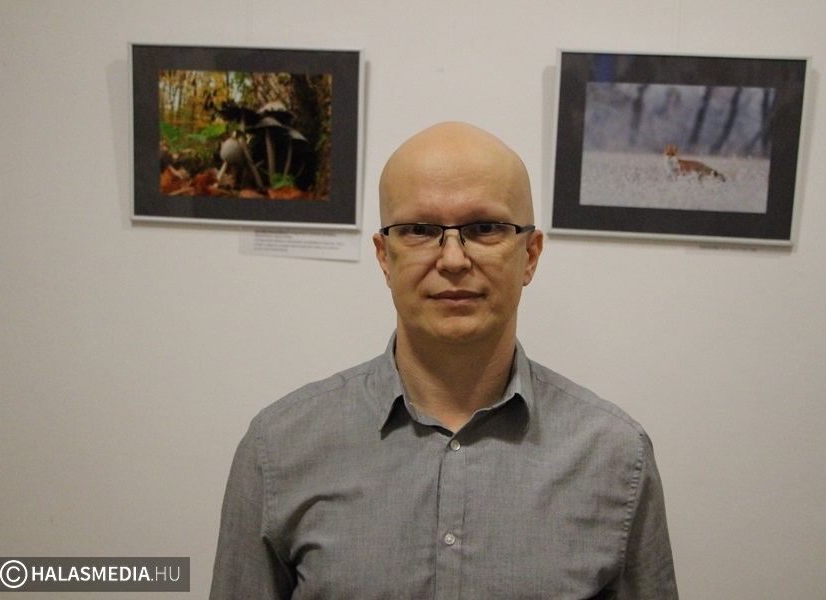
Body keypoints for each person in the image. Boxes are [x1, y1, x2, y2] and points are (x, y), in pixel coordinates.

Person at [209, 122, 679, 599]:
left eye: (485, 228)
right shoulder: (278, 449)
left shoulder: (616, 457)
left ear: (530, 255)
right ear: (385, 257)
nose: (453, 260)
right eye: (418, 230)